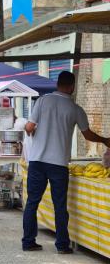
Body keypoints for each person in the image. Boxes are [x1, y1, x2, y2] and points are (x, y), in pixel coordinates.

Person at [23, 71, 110, 253]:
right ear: (72, 86)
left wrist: (35, 131)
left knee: (32, 202)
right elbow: (87, 134)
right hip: (59, 164)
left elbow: (29, 127)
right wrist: (104, 140)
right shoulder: (75, 109)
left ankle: (28, 241)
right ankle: (62, 245)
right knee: (60, 205)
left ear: (58, 84)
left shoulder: (43, 101)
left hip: (37, 161)